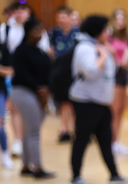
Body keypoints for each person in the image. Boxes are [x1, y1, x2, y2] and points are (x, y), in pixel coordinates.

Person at [68, 14, 128, 184]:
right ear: (97, 31)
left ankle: (114, 175)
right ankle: (75, 177)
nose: (108, 32)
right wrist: (104, 56)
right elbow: (90, 71)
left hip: (101, 103)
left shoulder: (99, 46)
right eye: (105, 29)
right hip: (86, 101)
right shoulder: (85, 48)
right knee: (82, 139)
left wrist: (108, 54)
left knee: (106, 139)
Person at [10, 18, 53, 178]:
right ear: (28, 32)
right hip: (23, 91)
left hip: (39, 93)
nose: (39, 34)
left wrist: (47, 88)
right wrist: (39, 88)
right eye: (36, 31)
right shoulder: (21, 51)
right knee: (33, 131)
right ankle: (38, 168)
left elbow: (49, 71)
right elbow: (22, 74)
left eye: (41, 31)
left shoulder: (41, 52)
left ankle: (26, 165)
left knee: (30, 130)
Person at [49, 5, 78, 143]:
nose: (61, 19)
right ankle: (63, 129)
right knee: (63, 102)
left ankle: (75, 129)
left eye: (64, 16)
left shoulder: (77, 33)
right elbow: (50, 50)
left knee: (75, 102)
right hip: (59, 72)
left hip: (74, 71)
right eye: (58, 16)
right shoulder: (54, 33)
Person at [109, 7, 128, 157]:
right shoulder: (109, 37)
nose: (120, 22)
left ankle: (117, 141)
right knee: (114, 110)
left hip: (125, 74)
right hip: (114, 74)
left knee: (122, 109)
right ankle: (110, 141)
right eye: (117, 19)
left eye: (122, 19)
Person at [0, 21, 11, 169]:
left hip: (0, 90)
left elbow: (11, 70)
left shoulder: (3, 48)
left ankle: (5, 154)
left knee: (0, 125)